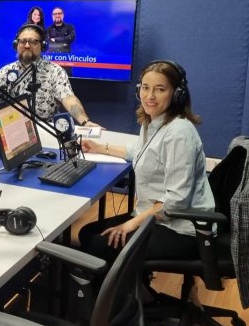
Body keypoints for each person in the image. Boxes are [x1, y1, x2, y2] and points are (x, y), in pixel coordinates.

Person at [77, 60, 214, 265]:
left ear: (177, 94)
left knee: (98, 245)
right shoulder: (154, 121)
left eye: (160, 89)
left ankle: (121, 286)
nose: (150, 96)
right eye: (146, 88)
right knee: (87, 233)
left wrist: (131, 224)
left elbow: (176, 200)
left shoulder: (179, 133)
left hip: (182, 229)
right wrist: (100, 147)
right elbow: (140, 151)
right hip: (157, 216)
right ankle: (128, 283)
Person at [0, 24, 99, 127]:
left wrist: (85, 121)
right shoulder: (7, 71)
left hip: (45, 132)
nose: (27, 45)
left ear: (42, 46)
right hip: (13, 131)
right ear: (16, 45)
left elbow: (68, 98)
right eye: (23, 41)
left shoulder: (55, 71)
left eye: (33, 42)